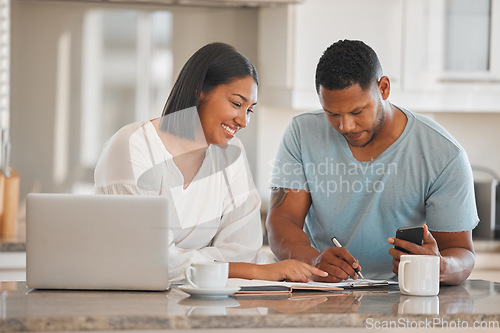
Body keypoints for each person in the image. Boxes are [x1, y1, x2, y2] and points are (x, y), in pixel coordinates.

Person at [94, 42, 326, 283]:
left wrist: (180, 259)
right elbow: (147, 259)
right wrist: (253, 271)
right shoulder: (133, 146)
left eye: (250, 110)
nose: (243, 121)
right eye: (237, 104)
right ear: (200, 90)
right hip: (126, 299)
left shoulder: (231, 153)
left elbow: (244, 249)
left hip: (201, 299)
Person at [266, 39, 477, 285]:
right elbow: (282, 222)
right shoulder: (301, 133)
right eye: (332, 114)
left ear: (384, 88)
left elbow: (462, 253)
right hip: (321, 291)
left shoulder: (444, 154)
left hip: (401, 296)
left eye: (357, 111)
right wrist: (314, 260)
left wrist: (440, 266)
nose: (345, 126)